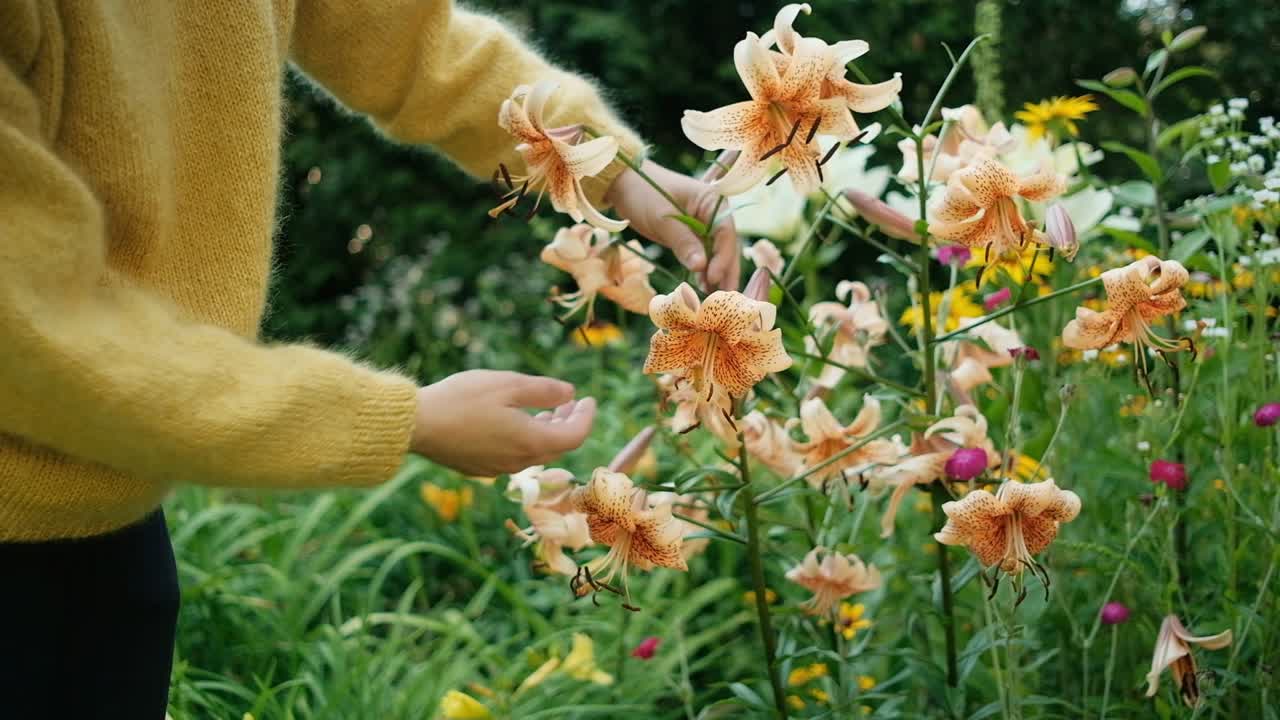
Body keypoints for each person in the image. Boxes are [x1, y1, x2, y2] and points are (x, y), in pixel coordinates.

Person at [0, 1, 739, 716]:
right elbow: (31, 333)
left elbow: (414, 42)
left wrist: (621, 176)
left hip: (116, 523)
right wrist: (401, 419)